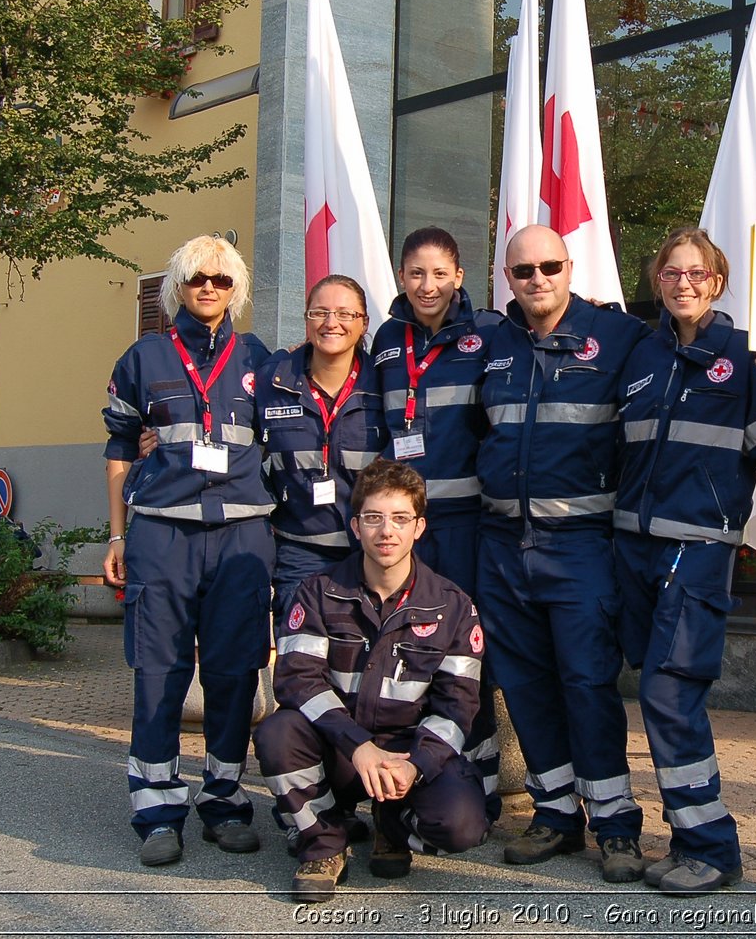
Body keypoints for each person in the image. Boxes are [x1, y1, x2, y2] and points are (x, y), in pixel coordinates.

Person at [614, 227, 756, 895]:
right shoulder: (637, 354)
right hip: (629, 552)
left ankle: (712, 849)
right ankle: (683, 837)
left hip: (698, 553)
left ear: (717, 282)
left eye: (697, 274)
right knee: (640, 689)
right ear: (658, 281)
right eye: (671, 273)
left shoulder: (744, 360)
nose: (684, 284)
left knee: (668, 693)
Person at [474, 224, 650, 883]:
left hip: (578, 549)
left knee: (586, 684)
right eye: (523, 270)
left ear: (569, 267)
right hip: (501, 549)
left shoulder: (620, 337)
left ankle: (615, 823)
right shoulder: (489, 343)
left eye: (549, 266)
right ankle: (553, 814)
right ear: (507, 277)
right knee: (525, 687)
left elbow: (688, 353)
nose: (537, 278)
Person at [102, 235, 275, 867]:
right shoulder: (143, 358)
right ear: (178, 285)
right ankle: (156, 806)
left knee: (233, 673)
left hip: (242, 536)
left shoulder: (262, 358)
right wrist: (116, 534)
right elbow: (120, 447)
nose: (209, 287)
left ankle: (224, 799)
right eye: (197, 278)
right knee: (159, 672)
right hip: (161, 535)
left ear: (237, 290)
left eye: (222, 280)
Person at [253, 459, 488, 903]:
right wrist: (358, 746)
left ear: (419, 527)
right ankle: (323, 843)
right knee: (277, 732)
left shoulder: (453, 607)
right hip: (343, 751)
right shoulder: (318, 592)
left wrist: (414, 765)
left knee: (462, 827)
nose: (387, 532)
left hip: (409, 759)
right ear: (355, 525)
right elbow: (298, 681)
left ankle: (391, 823)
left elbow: (457, 708)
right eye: (374, 518)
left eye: (400, 519)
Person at [370, 227, 503, 819]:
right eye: (416, 274)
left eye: (439, 273)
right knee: (412, 649)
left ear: (459, 276)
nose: (428, 285)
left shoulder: (491, 333)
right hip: (406, 529)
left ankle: (485, 781)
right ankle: (420, 773)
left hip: (468, 522)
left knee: (471, 653)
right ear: (401, 277)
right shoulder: (384, 340)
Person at [257, 275, 386, 621]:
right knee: (300, 660)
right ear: (306, 320)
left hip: (371, 554)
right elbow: (237, 438)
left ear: (363, 324)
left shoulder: (386, 384)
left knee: (363, 664)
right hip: (299, 552)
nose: (332, 323)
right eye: (320, 313)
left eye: (345, 314)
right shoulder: (273, 381)